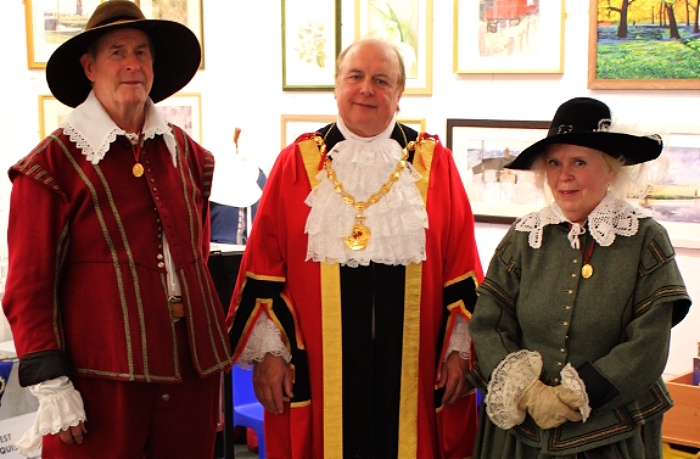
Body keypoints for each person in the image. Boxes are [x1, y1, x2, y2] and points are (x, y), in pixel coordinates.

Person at [226, 37, 483, 458]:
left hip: (413, 376)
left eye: (382, 80)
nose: (366, 89)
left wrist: (459, 352)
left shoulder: (435, 163)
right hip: (318, 367)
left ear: (399, 95)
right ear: (337, 86)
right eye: (356, 77)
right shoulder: (296, 162)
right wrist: (270, 354)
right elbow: (264, 267)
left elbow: (462, 268)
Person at [2, 1, 232, 457]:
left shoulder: (187, 156)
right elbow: (29, 285)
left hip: (190, 377)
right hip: (100, 386)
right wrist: (51, 381)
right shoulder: (50, 166)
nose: (132, 64)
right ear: (88, 66)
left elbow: (197, 254)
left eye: (142, 52)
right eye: (117, 52)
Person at [467, 97, 692, 459]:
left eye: (579, 162)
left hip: (608, 433)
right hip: (522, 435)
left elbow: (648, 343)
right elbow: (488, 324)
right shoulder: (525, 237)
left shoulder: (645, 239)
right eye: (554, 162)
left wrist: (578, 394)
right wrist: (528, 392)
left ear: (611, 170)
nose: (563, 175)